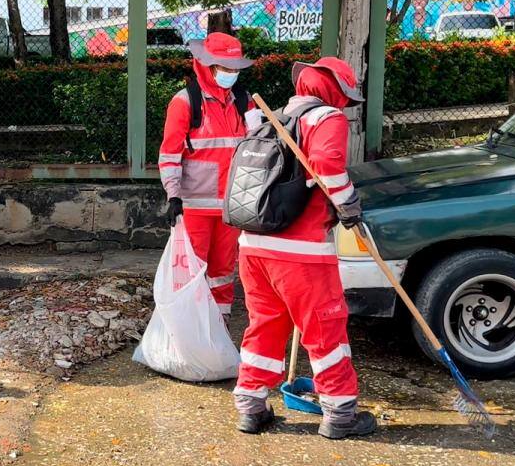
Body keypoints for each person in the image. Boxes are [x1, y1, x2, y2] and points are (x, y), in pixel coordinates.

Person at [232, 56, 374, 439]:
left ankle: (251, 407)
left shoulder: (274, 117)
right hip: (302, 252)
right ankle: (340, 413)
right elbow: (328, 163)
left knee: (264, 326)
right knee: (325, 328)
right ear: (335, 91)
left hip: (253, 244)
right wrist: (348, 206)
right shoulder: (326, 118)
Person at [158, 32, 260, 320]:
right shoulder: (185, 102)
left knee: (224, 271)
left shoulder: (244, 101)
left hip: (232, 205)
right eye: (224, 68)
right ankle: (190, 329)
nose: (231, 73)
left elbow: (257, 145)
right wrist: (174, 195)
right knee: (192, 271)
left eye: (234, 68)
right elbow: (170, 154)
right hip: (196, 207)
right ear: (206, 65)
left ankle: (219, 327)